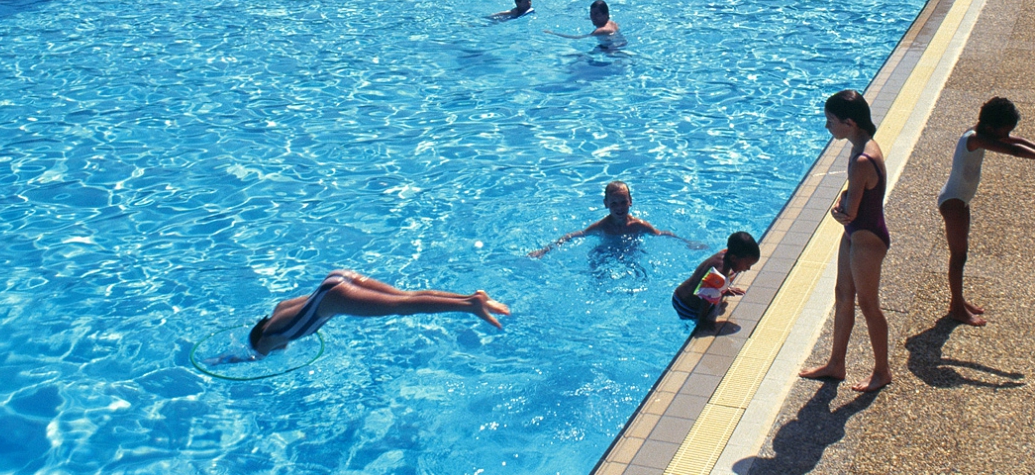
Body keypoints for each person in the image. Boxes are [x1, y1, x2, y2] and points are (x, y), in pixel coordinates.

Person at [938, 97, 1035, 326]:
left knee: (961, 255)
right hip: (953, 202)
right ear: (990, 128)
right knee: (958, 256)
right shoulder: (975, 139)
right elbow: (1013, 149)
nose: (1005, 136)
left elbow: (1017, 140)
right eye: (1003, 132)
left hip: (960, 200)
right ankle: (957, 309)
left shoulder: (980, 133)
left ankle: (959, 301)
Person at [800, 90, 892, 392]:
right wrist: (846, 204)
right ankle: (836, 364)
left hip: (868, 239)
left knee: (869, 305)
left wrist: (839, 210)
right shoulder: (860, 146)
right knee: (842, 295)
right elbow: (857, 197)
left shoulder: (864, 157)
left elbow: (850, 212)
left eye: (831, 121)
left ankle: (882, 371)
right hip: (855, 236)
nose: (828, 127)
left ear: (849, 122)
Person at [248, 269, 509, 355]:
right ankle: (472, 298)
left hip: (334, 298)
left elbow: (256, 357)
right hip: (338, 278)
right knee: (407, 295)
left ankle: (470, 305)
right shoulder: (278, 311)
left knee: (405, 307)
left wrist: (227, 360)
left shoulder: (267, 340)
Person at [527, 181, 703, 257]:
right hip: (606, 251)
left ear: (630, 202)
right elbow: (574, 235)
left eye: (623, 202)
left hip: (630, 251)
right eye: (614, 204)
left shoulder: (638, 225)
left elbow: (661, 233)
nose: (619, 208)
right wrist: (545, 250)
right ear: (606, 204)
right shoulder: (602, 227)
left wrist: (687, 242)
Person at [672, 231, 761, 325]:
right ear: (733, 259)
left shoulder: (724, 254)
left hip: (679, 294)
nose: (748, 268)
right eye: (747, 264)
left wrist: (723, 289)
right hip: (687, 307)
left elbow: (707, 281)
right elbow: (706, 300)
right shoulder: (720, 272)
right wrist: (703, 321)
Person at [545, 0, 626, 49]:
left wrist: (553, 33)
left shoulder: (601, 30)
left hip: (611, 52)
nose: (593, 17)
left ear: (606, 15)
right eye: (591, 14)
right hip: (619, 45)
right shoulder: (612, 23)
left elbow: (578, 38)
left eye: (596, 14)